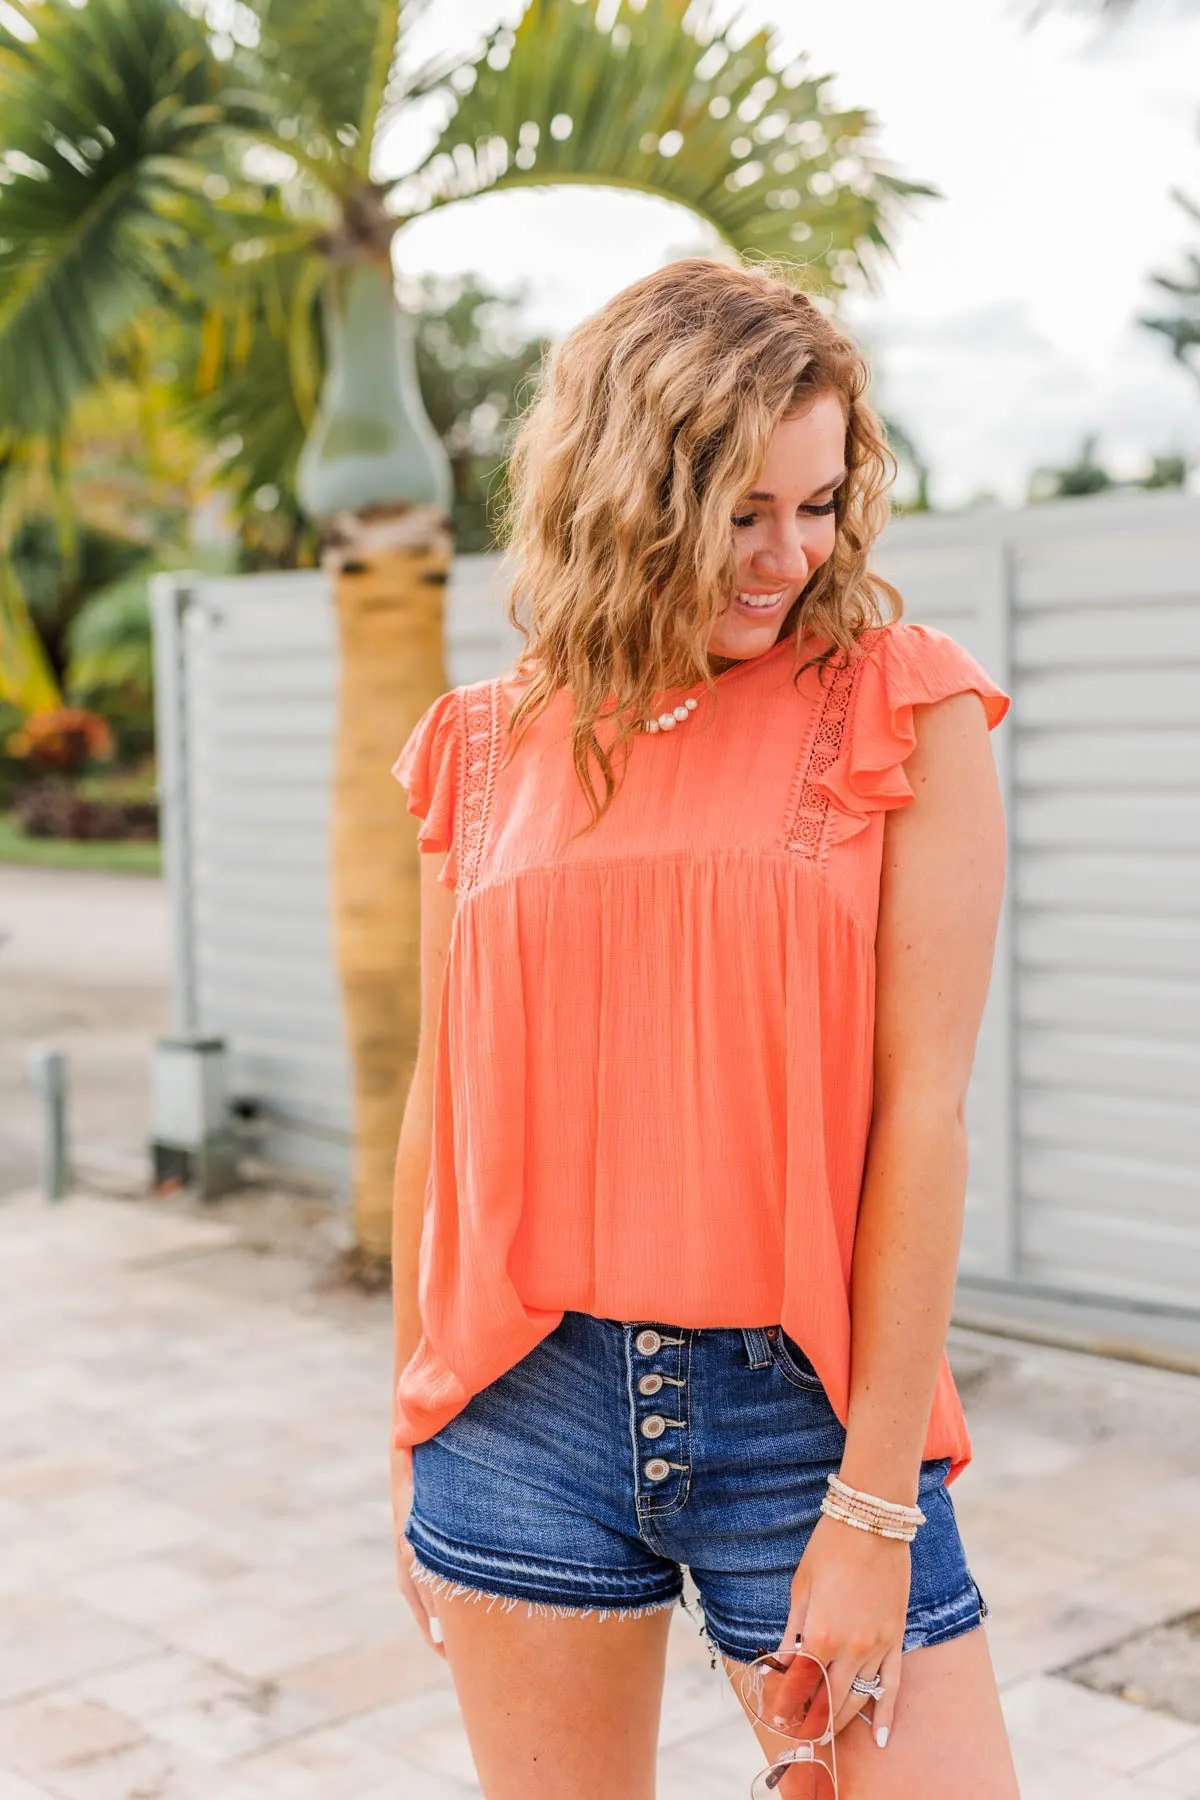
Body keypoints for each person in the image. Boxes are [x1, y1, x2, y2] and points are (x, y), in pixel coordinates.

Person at [388, 258, 1019, 1800]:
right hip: (518, 1411)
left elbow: (922, 1116)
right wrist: (408, 1421)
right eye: (743, 511)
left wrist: (873, 1503)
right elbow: (442, 1102)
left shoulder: (899, 703)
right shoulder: (485, 744)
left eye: (818, 506)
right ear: (623, 490)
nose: (788, 555)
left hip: (800, 1412)